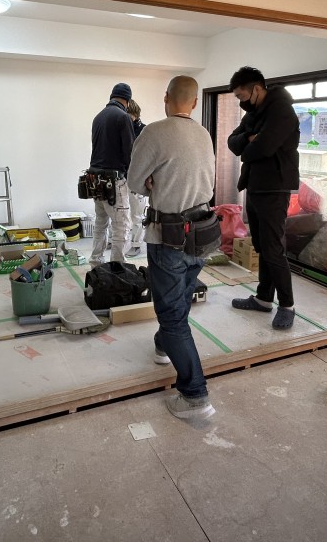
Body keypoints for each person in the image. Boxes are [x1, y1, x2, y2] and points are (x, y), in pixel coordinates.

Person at [128, 76, 217, 420]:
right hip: (202, 232)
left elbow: (135, 182)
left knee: (172, 314)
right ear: (194, 102)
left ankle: (195, 395)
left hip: (169, 236)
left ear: (166, 97)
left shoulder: (154, 132)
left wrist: (154, 182)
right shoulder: (203, 133)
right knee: (180, 300)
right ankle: (164, 344)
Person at [226, 66, 300, 330]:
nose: (241, 101)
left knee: (273, 249)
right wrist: (249, 138)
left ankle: (287, 306)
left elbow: (263, 148)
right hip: (255, 185)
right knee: (261, 246)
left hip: (275, 188)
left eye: (241, 95)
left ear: (256, 89)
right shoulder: (254, 113)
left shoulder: (282, 111)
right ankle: (264, 299)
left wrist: (248, 147)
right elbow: (232, 142)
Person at [87, 82, 134, 264]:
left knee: (101, 223)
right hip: (113, 181)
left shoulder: (98, 117)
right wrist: (135, 179)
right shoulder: (123, 117)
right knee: (121, 226)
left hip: (95, 179)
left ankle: (96, 262)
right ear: (127, 101)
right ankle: (117, 267)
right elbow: (130, 152)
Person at [125, 100, 149, 258]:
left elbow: (149, 157)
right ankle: (113, 240)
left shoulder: (144, 131)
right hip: (122, 175)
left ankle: (136, 245)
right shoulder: (121, 129)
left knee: (137, 215)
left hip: (138, 177)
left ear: (134, 115)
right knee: (118, 213)